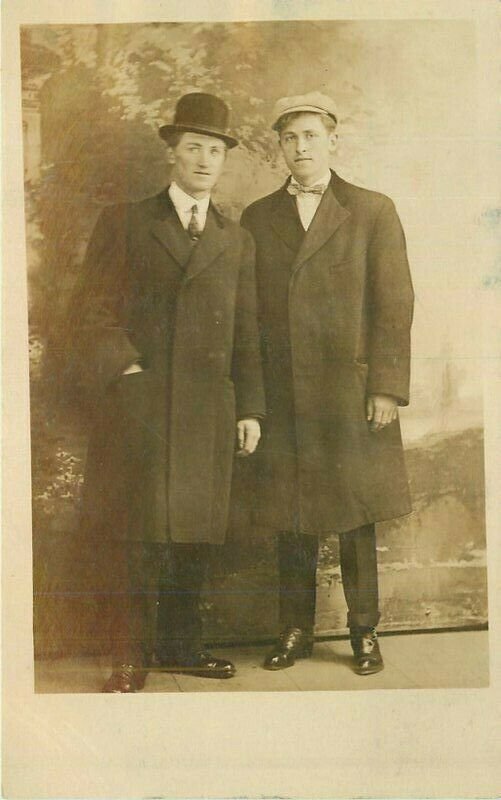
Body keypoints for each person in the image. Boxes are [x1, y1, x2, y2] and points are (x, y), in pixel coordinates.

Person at [65, 92, 265, 692]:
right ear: (172, 153)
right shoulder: (125, 221)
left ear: (224, 159)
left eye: (215, 150)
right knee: (139, 533)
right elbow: (88, 312)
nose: (205, 159)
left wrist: (250, 407)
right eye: (194, 147)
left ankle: (180, 646)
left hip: (209, 406)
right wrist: (126, 372)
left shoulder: (236, 240)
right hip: (145, 403)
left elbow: (247, 331)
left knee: (195, 531)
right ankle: (130, 654)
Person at [241, 92, 414, 675]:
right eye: (289, 138)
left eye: (311, 135)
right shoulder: (258, 217)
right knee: (290, 514)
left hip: (352, 393)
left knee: (355, 514)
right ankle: (294, 630)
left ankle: (364, 632)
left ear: (333, 140)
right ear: (280, 148)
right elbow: (249, 313)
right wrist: (254, 401)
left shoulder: (372, 209)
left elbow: (394, 304)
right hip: (286, 392)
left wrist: (386, 387)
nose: (301, 147)